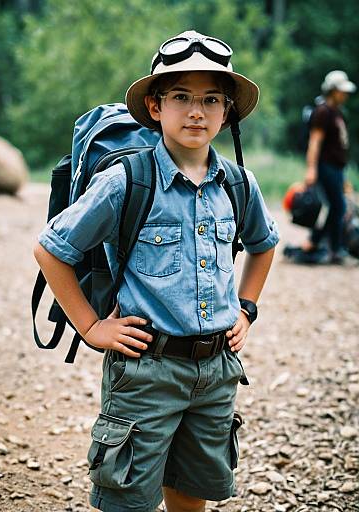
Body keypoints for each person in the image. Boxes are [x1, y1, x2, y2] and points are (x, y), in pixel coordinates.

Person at [34, 30, 279, 512]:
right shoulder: (127, 179)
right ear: (154, 106)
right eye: (181, 96)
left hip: (217, 373)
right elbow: (51, 250)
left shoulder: (238, 183)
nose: (196, 111)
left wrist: (246, 309)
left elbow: (264, 245)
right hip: (145, 371)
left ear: (227, 111)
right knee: (128, 497)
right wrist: (90, 326)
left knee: (191, 492)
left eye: (211, 99)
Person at [302, 70, 356, 263]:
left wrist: (344, 178)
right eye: (342, 90)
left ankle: (322, 244)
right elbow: (315, 142)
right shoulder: (323, 111)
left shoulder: (337, 113)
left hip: (337, 168)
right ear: (333, 90)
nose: (345, 94)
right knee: (337, 207)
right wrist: (311, 169)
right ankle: (332, 248)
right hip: (326, 166)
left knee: (337, 207)